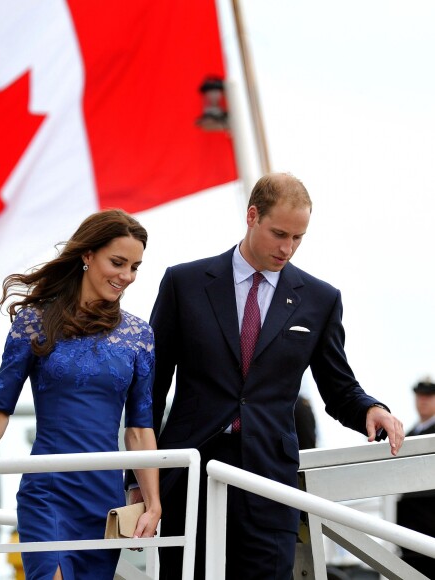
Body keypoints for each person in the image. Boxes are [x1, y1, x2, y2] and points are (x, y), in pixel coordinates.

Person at [129, 173, 405, 579]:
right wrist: (138, 479)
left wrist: (370, 408)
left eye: (298, 238)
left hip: (270, 480)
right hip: (191, 474)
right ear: (252, 216)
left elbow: (338, 386)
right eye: (279, 234)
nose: (287, 248)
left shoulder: (320, 299)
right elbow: (150, 391)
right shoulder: (183, 283)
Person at [0, 209, 161, 580]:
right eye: (117, 262)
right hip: (47, 489)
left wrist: (152, 503)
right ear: (87, 255)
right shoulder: (34, 320)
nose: (126, 276)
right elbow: (1, 405)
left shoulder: (139, 335)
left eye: (134, 267)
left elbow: (139, 429)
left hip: (103, 497)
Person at [396, 379, 435, 577]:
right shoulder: (409, 435)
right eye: (420, 396)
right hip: (411, 520)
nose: (423, 401)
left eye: (428, 396)